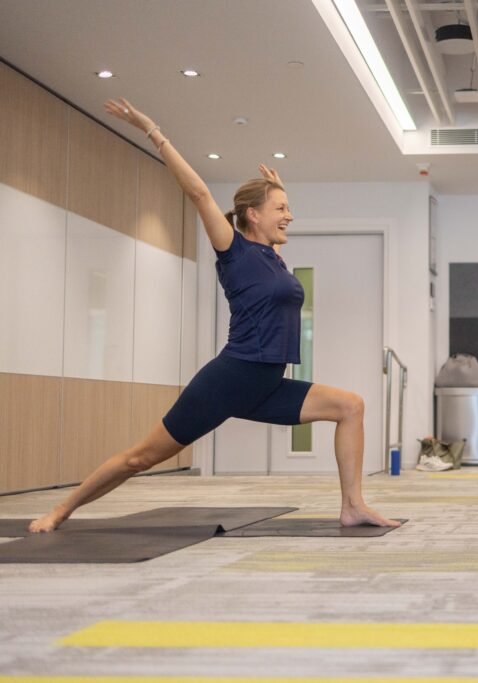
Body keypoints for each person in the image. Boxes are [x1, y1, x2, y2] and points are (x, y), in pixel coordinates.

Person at [29, 98, 398, 533]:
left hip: (266, 383)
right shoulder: (233, 251)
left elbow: (273, 248)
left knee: (350, 406)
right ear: (251, 215)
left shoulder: (271, 256)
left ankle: (353, 505)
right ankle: (60, 511)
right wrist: (153, 131)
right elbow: (199, 192)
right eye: (280, 209)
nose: (289, 216)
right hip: (231, 378)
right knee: (141, 458)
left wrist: (277, 189)